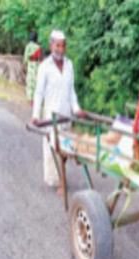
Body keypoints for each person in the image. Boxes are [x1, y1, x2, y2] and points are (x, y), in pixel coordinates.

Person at [31, 29, 85, 194]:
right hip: (51, 116)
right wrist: (35, 115)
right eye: (57, 46)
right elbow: (39, 92)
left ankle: (61, 178)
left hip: (66, 115)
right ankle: (61, 182)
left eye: (63, 46)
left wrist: (76, 109)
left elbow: (71, 91)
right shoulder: (45, 67)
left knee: (65, 149)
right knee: (56, 149)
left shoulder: (69, 65)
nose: (60, 49)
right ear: (51, 45)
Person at [23, 32, 42, 107]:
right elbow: (39, 58)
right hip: (36, 66)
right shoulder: (38, 47)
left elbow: (25, 57)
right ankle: (35, 99)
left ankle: (30, 100)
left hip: (30, 65)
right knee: (35, 82)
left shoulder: (28, 46)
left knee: (30, 82)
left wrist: (24, 65)